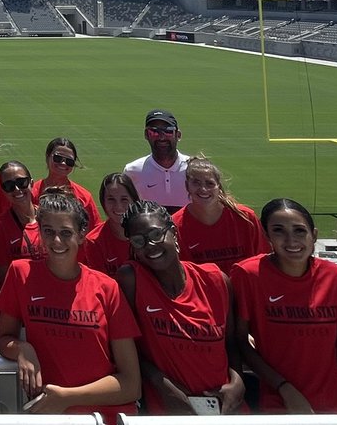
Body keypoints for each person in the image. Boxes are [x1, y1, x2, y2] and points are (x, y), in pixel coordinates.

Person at [0, 187, 141, 421]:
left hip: (103, 417)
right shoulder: (20, 274)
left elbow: (131, 384)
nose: (56, 241)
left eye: (65, 232)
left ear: (82, 235)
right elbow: (4, 339)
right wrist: (22, 349)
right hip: (52, 416)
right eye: (48, 231)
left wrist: (67, 397)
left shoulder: (106, 287)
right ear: (39, 233)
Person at [230, 198, 337, 414]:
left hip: (335, 401)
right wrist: (284, 388)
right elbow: (240, 342)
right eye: (278, 231)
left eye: (299, 230)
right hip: (279, 401)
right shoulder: (248, 274)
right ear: (267, 235)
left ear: (314, 235)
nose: (291, 240)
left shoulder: (335, 276)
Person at [116, 200, 244, 414]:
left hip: (224, 407)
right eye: (139, 241)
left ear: (173, 233)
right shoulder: (132, 279)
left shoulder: (216, 280)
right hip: (168, 410)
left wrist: (238, 382)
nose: (150, 245)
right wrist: (163, 386)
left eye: (156, 235)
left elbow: (231, 344)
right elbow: (129, 350)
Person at [172, 157, 266, 272]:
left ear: (219, 187)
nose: (203, 189)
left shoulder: (245, 217)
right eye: (196, 183)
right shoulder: (176, 224)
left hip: (243, 287)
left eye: (210, 183)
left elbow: (263, 261)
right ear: (187, 186)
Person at [0, 161, 43, 288]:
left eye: (21, 182)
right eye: (9, 186)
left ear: (31, 183)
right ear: (3, 191)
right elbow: (5, 279)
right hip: (21, 299)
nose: (17, 189)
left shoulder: (50, 218)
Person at [124, 109, 190, 211]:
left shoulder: (194, 170)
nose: (161, 137)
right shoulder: (132, 171)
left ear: (178, 135)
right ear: (146, 135)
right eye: (154, 132)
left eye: (168, 131)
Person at [81, 173, 140, 276]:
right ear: (103, 202)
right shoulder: (94, 241)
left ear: (134, 201)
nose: (118, 206)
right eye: (111, 199)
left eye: (124, 199)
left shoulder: (147, 234)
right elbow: (100, 284)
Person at [32, 137, 100, 225]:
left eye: (69, 161)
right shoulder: (32, 193)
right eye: (58, 158)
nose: (63, 163)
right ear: (47, 156)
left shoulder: (84, 197)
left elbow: (95, 229)